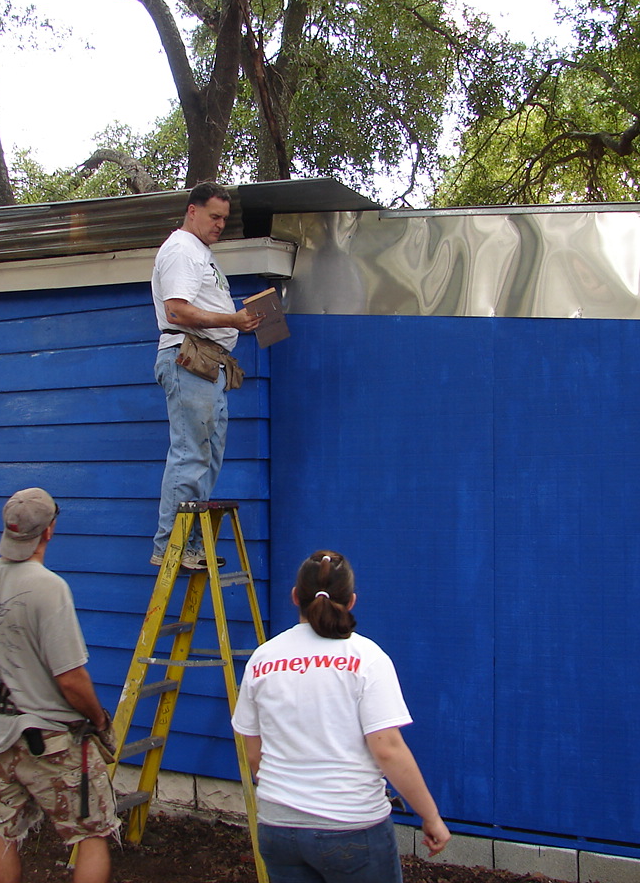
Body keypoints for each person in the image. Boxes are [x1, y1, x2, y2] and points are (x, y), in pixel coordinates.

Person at [232, 550, 451, 883]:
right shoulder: (367, 658)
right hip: (351, 827)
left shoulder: (262, 659)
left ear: (295, 597)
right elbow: (387, 749)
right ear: (351, 601)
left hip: (278, 828)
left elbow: (253, 754)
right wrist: (430, 816)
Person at [0, 487, 119, 883]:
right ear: (49, 531)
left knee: (4, 831)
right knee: (92, 833)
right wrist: (98, 720)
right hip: (51, 740)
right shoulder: (49, 588)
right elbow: (71, 679)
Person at [150, 181, 261, 568]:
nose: (220, 224)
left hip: (209, 362)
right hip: (189, 357)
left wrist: (238, 321)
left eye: (225, 219)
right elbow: (176, 310)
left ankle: (191, 542)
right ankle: (172, 546)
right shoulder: (182, 248)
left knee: (207, 456)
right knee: (191, 454)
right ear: (192, 210)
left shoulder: (200, 253)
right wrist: (232, 320)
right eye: (214, 216)